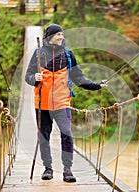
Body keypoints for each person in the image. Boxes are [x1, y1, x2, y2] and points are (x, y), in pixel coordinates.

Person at [25, 24, 106, 182]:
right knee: (44, 137)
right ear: (50, 37)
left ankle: (67, 170)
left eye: (62, 34)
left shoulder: (68, 54)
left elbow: (78, 78)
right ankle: (48, 168)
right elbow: (27, 76)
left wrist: (97, 85)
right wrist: (34, 78)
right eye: (58, 35)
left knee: (67, 134)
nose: (61, 37)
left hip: (62, 103)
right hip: (42, 105)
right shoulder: (38, 54)